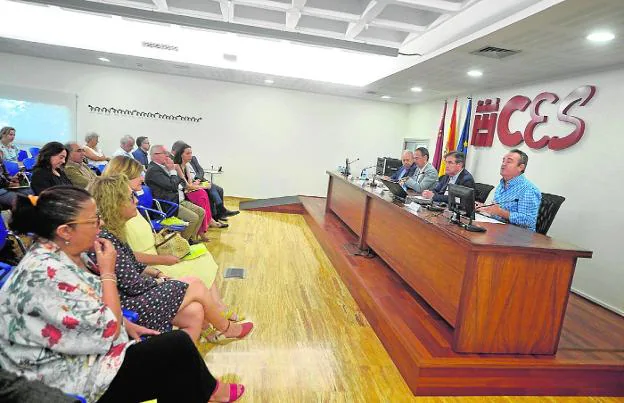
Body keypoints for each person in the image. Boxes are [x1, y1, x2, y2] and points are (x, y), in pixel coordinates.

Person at [0, 186, 245, 402]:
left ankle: (207, 389)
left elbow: (88, 307)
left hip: (81, 353)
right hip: (60, 380)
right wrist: (108, 272)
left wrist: (126, 323)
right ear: (65, 231)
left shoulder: (66, 253)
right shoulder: (47, 271)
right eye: (93, 221)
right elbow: (106, 332)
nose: (101, 225)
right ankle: (209, 387)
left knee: (177, 352)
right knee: (177, 354)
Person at [88, 175, 253, 342]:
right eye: (131, 197)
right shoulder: (104, 240)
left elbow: (133, 264)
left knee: (195, 311)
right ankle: (227, 328)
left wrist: (157, 273)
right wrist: (161, 281)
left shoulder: (113, 233)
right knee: (194, 283)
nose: (136, 201)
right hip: (127, 307)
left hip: (134, 297)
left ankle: (181, 362)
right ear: (114, 203)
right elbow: (133, 286)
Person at [145, 145, 206, 241]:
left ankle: (192, 238)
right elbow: (172, 185)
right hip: (166, 205)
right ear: (155, 155)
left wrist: (174, 176)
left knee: (201, 212)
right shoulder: (153, 170)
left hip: (176, 200)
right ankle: (183, 243)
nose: (167, 156)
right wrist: (173, 170)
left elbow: (179, 181)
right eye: (165, 153)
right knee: (193, 218)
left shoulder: (162, 167)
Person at [172, 140, 239, 221]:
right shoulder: (176, 164)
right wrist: (197, 184)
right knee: (208, 189)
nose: (190, 155)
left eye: (190, 153)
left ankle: (219, 213)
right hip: (190, 186)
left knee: (219, 189)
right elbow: (185, 184)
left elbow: (200, 170)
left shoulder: (192, 159)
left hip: (198, 180)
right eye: (187, 153)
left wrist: (198, 179)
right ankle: (217, 214)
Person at [476, 149, 541, 231]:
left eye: (509, 161)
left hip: (518, 236)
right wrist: (485, 208)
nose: (503, 164)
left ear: (521, 167)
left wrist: (500, 212)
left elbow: (529, 220)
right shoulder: (502, 184)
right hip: (497, 229)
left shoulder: (528, 190)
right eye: (503, 160)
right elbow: (497, 209)